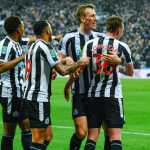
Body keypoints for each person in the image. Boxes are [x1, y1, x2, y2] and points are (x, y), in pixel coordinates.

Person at [23, 20, 89, 150]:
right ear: (46, 31)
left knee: (48, 136)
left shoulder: (31, 47)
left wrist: (62, 61)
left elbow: (45, 67)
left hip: (31, 96)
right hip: (38, 98)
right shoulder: (47, 47)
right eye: (50, 27)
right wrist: (80, 63)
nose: (51, 29)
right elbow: (63, 71)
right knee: (38, 138)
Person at [60, 4, 112, 150]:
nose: (95, 18)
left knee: (104, 131)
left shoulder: (101, 38)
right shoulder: (69, 38)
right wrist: (73, 64)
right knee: (81, 132)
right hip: (80, 93)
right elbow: (60, 66)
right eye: (92, 15)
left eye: (95, 15)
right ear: (83, 18)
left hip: (98, 93)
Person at [82, 16, 134, 150]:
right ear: (118, 30)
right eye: (122, 29)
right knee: (115, 137)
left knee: (92, 137)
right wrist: (119, 63)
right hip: (112, 96)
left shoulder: (90, 44)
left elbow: (82, 64)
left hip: (93, 94)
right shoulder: (122, 46)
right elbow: (130, 72)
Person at [0, 16, 31, 150]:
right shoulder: (5, 45)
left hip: (19, 92)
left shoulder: (18, 42)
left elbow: (33, 40)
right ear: (18, 29)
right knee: (9, 131)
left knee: (26, 126)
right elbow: (0, 67)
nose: (24, 28)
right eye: (22, 26)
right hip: (9, 93)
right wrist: (21, 58)